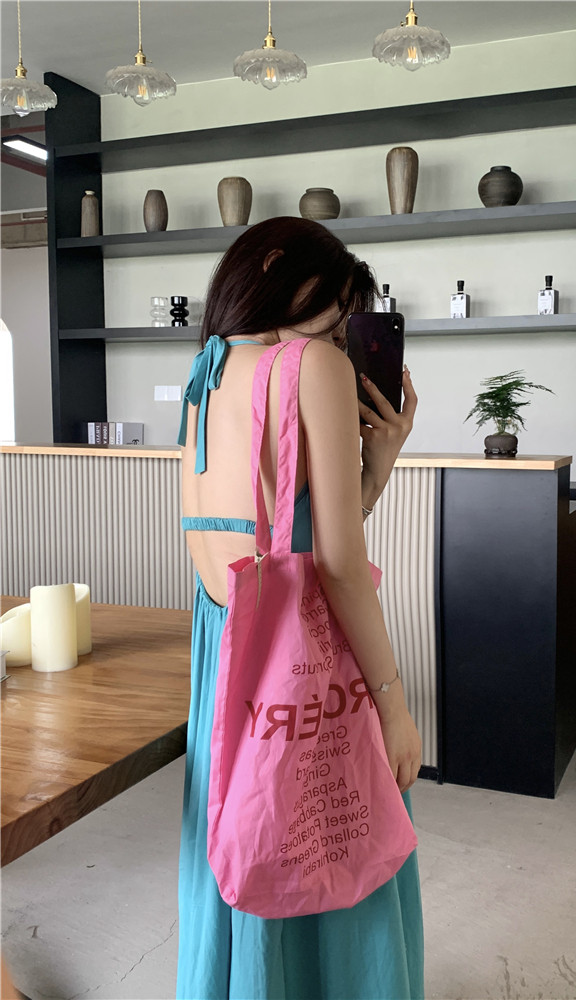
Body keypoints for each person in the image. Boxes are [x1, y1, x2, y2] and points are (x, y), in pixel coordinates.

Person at [176, 217, 423, 999]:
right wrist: (392, 703)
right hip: (303, 667)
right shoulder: (312, 366)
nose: (343, 333)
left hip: (227, 654)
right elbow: (340, 568)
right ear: (282, 270)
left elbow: (284, 550)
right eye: (340, 310)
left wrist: (374, 468)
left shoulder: (206, 372)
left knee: (249, 835)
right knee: (333, 836)